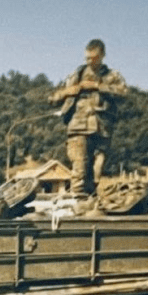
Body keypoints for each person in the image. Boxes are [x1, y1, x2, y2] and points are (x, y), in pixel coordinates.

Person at [49, 38, 128, 195]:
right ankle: (78, 199)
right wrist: (68, 91)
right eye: (87, 58)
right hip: (78, 127)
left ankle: (89, 200)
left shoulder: (112, 76)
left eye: (94, 58)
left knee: (96, 172)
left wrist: (98, 86)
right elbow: (52, 98)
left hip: (102, 129)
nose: (90, 61)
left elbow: (124, 93)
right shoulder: (76, 75)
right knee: (80, 169)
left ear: (102, 55)